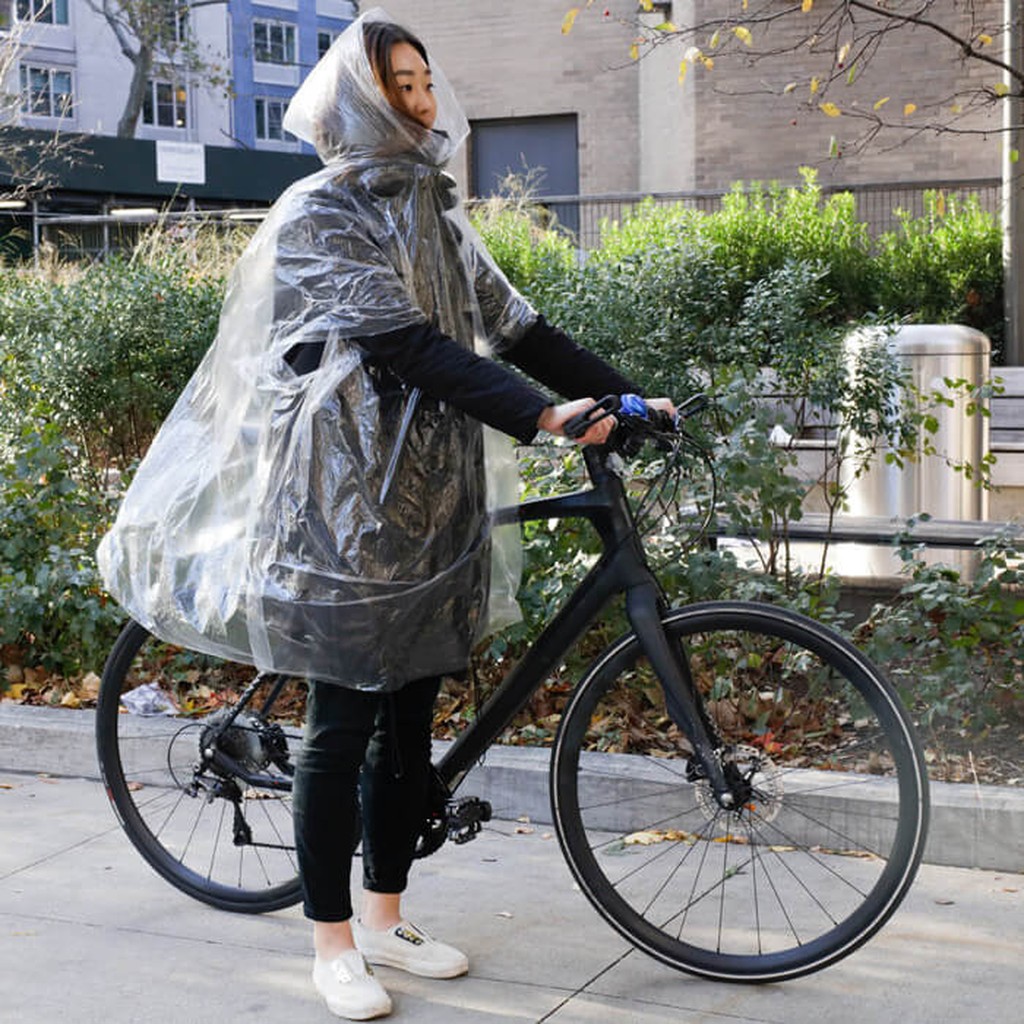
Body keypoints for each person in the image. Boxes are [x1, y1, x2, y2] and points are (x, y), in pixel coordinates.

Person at [98, 8, 673, 1021]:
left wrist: (628, 401)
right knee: (343, 722)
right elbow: (409, 346)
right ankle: (329, 942)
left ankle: (384, 915)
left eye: (422, 81)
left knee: (411, 722)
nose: (418, 100)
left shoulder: (437, 219)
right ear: (357, 101)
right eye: (395, 85)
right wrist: (545, 418)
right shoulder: (320, 215)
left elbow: (521, 332)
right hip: (337, 512)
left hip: (433, 502)